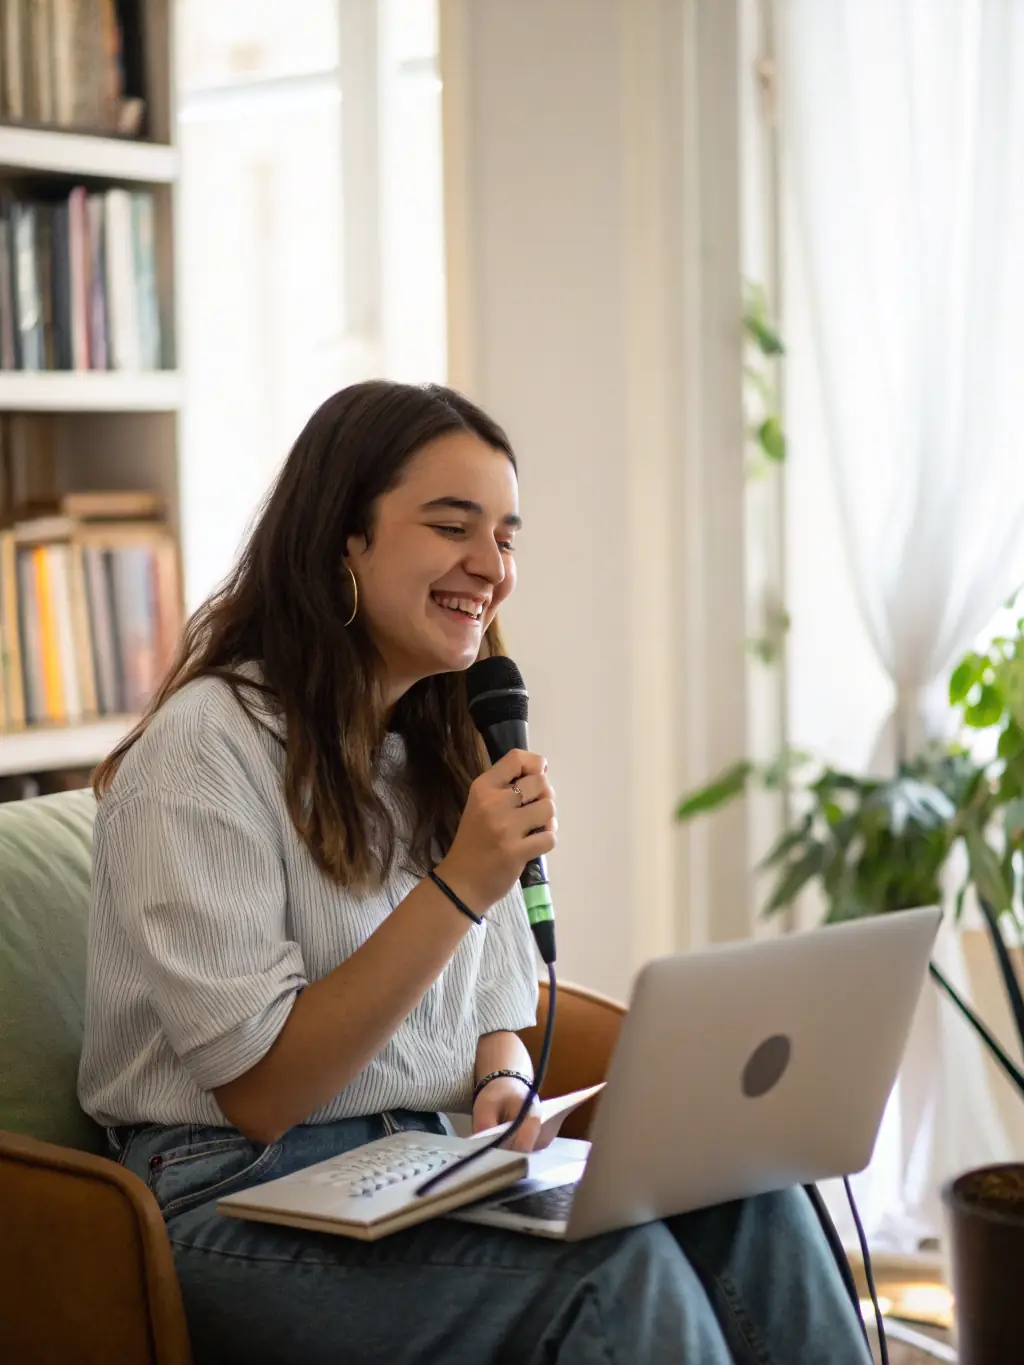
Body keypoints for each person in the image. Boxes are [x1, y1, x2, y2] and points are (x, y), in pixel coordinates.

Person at [78, 380, 871, 1365]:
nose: (491, 567)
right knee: (613, 1276)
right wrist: (459, 886)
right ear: (342, 539)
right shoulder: (206, 748)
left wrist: (502, 1078)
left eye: (505, 537)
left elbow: (495, 1007)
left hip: (421, 1160)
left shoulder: (440, 742)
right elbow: (263, 1092)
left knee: (749, 1194)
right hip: (230, 1194)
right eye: (452, 527)